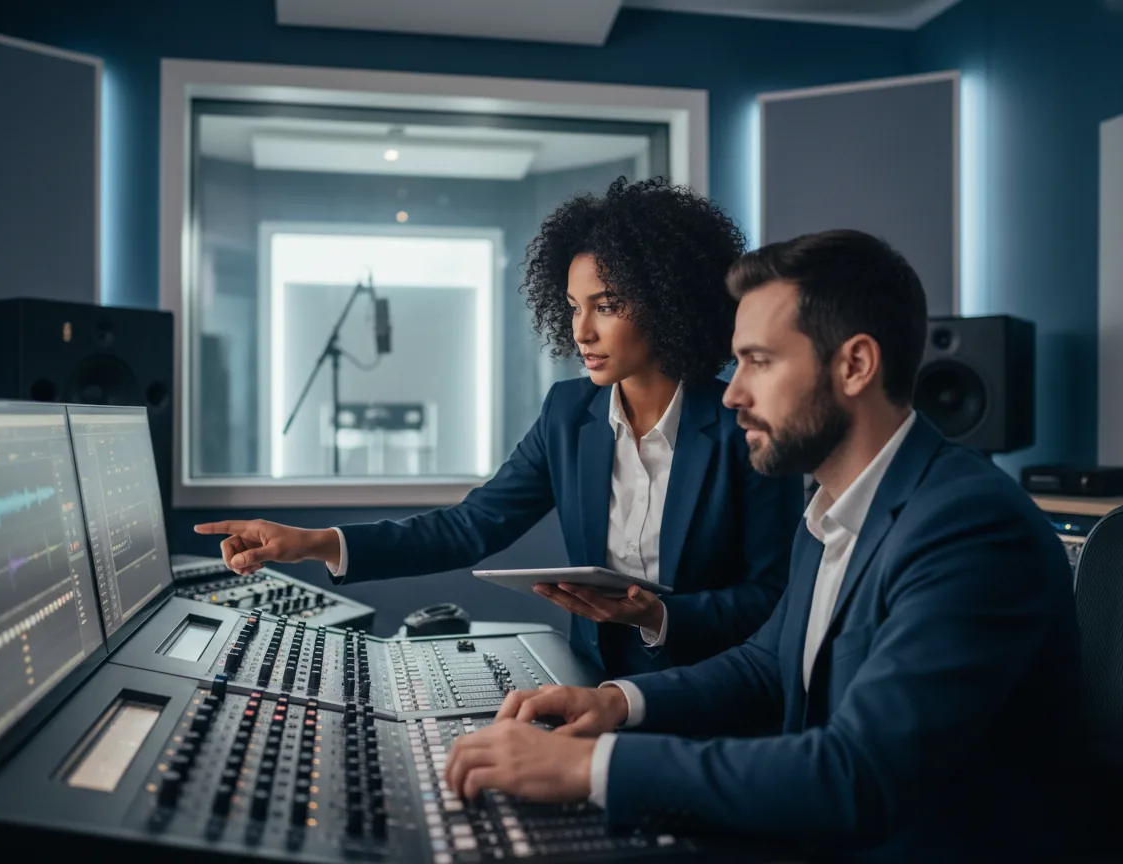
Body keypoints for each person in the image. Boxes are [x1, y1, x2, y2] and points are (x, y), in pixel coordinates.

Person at [442, 229, 1083, 860]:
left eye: (760, 361)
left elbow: (856, 775)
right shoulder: (831, 506)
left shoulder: (968, 526)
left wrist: (592, 768)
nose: (732, 393)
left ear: (854, 365)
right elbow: (766, 663)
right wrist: (614, 702)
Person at [195, 176, 806, 679]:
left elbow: (771, 596)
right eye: (572, 306)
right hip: (593, 684)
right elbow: (471, 526)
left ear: (673, 302)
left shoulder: (743, 424)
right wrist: (315, 542)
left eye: (608, 305)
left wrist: (656, 617)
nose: (581, 331)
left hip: (715, 694)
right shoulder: (569, 414)